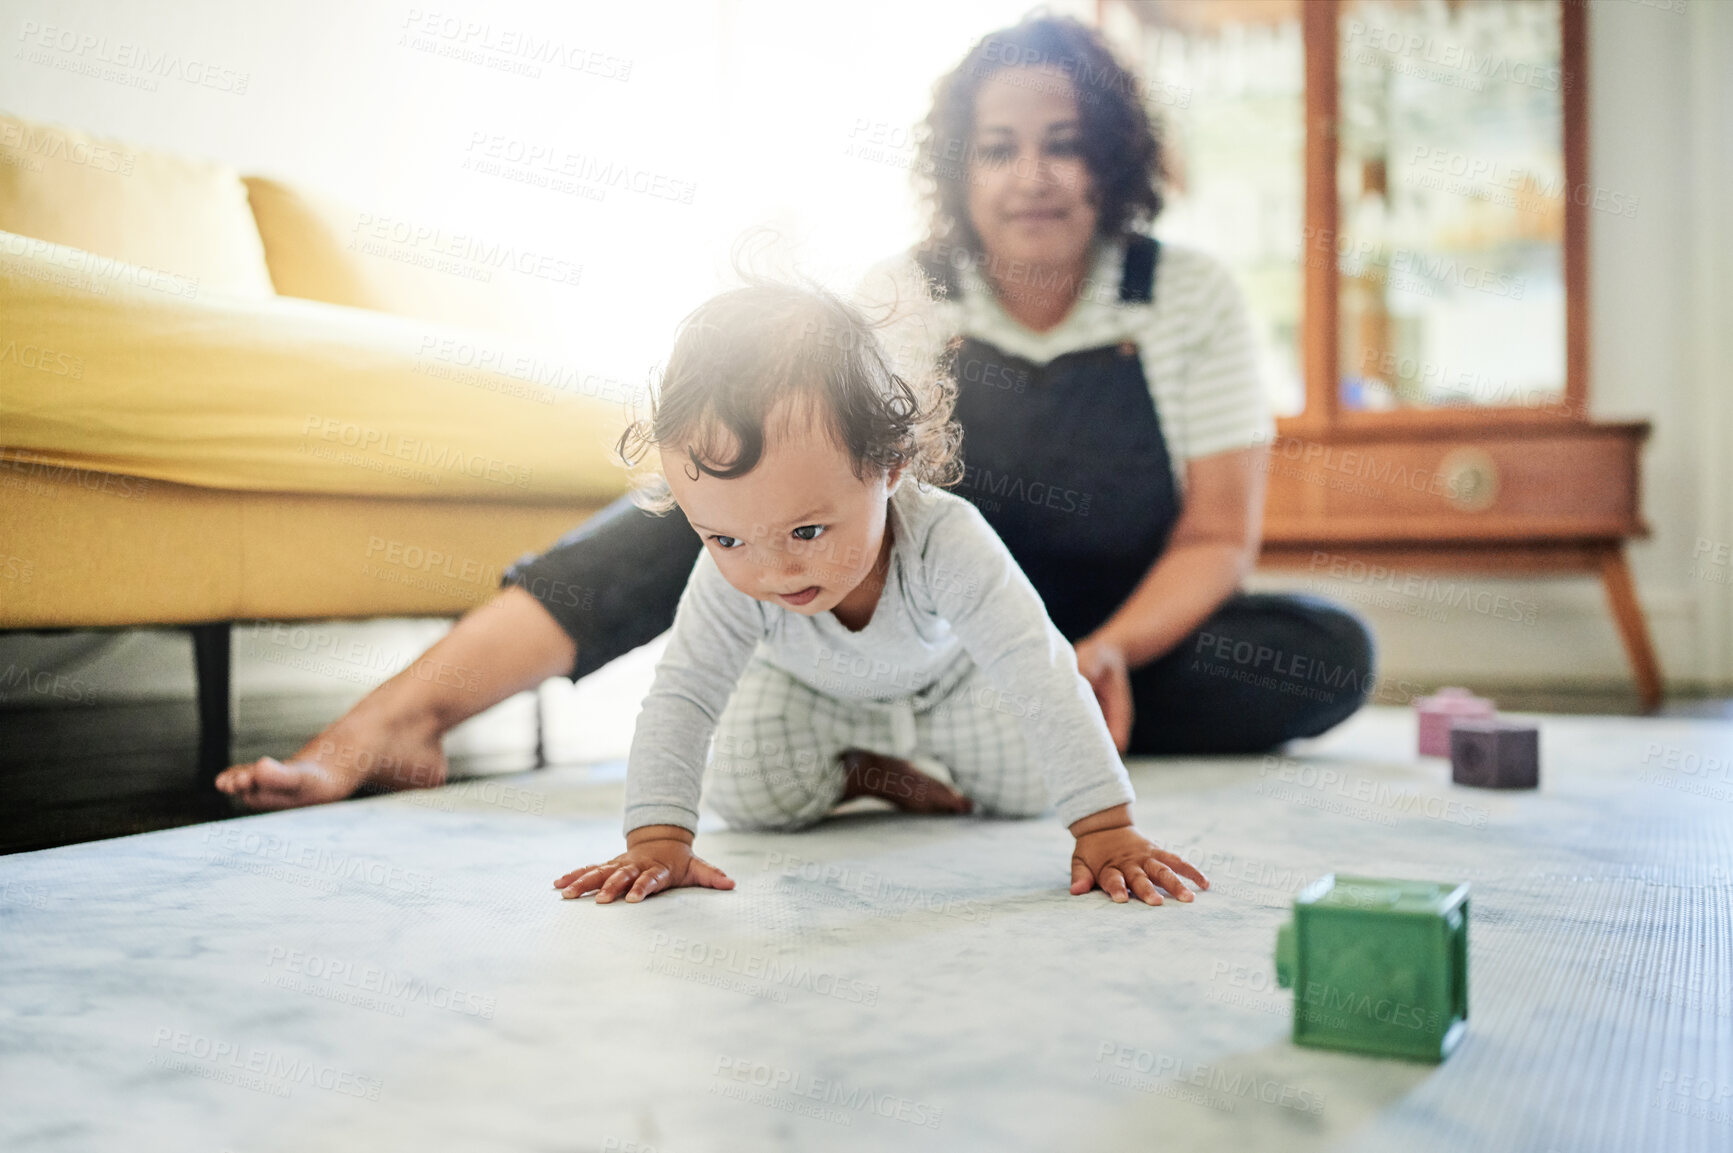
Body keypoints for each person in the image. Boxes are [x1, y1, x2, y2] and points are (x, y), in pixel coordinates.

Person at [214, 14, 1373, 814]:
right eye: (999, 148)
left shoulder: (1188, 296)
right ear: (956, 169)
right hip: (914, 614)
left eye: (1064, 147)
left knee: (1321, 653)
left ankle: (974, 737)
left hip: (1105, 633)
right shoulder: (904, 284)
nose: (1031, 175)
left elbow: (1218, 535)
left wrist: (1100, 654)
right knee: (702, 497)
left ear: (1112, 161)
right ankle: (381, 727)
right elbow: (825, 486)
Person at [550, 282, 1208, 906]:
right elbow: (684, 693)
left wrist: (1104, 826)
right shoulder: (734, 571)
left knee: (1029, 787)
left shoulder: (944, 538)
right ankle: (865, 770)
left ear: (890, 464)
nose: (772, 570)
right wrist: (657, 838)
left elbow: (1034, 668)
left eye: (806, 530)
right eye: (725, 539)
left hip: (946, 688)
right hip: (808, 694)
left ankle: (918, 760)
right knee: (747, 795)